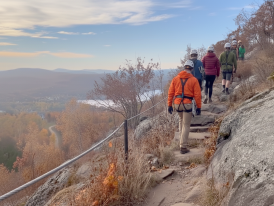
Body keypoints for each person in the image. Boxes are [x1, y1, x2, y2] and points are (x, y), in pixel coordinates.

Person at [168, 60, 202, 154]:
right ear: (191, 69)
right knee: (186, 125)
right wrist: (199, 107)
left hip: (177, 104)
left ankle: (181, 142)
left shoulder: (175, 79)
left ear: (184, 67)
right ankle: (183, 147)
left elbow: (170, 93)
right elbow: (197, 95)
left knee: (180, 121)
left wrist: (169, 105)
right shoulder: (194, 80)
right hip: (187, 104)